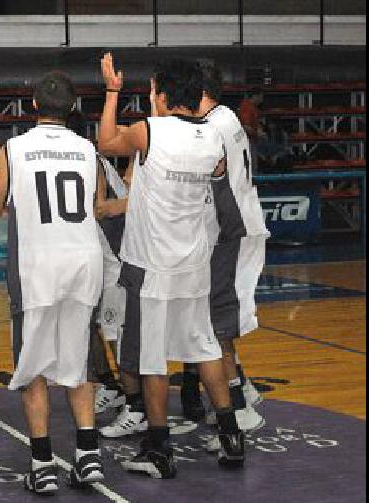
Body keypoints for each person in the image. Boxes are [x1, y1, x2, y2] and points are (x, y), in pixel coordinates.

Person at [97, 53, 244, 479]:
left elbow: (107, 142)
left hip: (153, 265)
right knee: (205, 347)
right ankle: (231, 435)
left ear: (161, 94)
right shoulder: (213, 138)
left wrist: (111, 91)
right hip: (195, 262)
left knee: (153, 359)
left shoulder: (150, 130)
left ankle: (159, 449)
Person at [0, 71, 105, 495]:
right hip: (83, 260)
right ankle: (88, 455)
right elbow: (97, 205)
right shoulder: (88, 149)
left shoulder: (14, 149)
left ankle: (42, 463)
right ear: (72, 108)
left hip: (38, 265)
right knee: (77, 359)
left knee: (33, 363)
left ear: (33, 105)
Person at [178, 61, 271, 439]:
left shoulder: (213, 128)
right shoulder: (227, 118)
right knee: (213, 318)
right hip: (240, 225)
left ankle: (238, 407)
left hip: (230, 230)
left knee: (215, 322)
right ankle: (241, 387)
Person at [65, 111, 128, 418]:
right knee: (87, 326)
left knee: (115, 332)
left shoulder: (88, 158)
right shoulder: (85, 158)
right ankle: (111, 386)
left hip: (116, 257)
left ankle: (136, 404)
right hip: (98, 256)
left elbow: (99, 208)